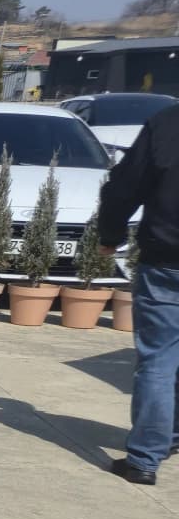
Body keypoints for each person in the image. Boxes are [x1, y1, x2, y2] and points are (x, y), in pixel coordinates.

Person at [98, 101, 179, 485]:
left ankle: (146, 458)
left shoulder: (167, 123)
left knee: (159, 360)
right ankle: (168, 436)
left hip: (167, 261)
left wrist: (110, 236)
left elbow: (125, 185)